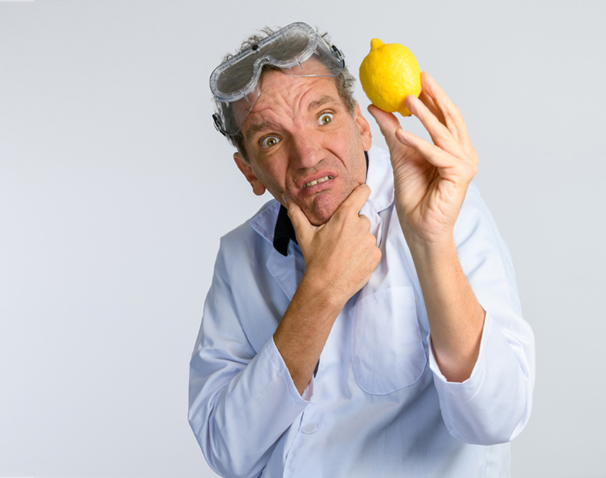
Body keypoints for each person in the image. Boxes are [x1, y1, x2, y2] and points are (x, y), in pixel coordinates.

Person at [189, 22, 535, 478]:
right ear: (249, 171)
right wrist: (321, 292)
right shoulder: (239, 256)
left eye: (324, 117)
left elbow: (497, 417)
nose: (308, 155)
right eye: (270, 139)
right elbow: (227, 450)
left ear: (361, 125)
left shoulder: (444, 210)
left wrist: (430, 243)